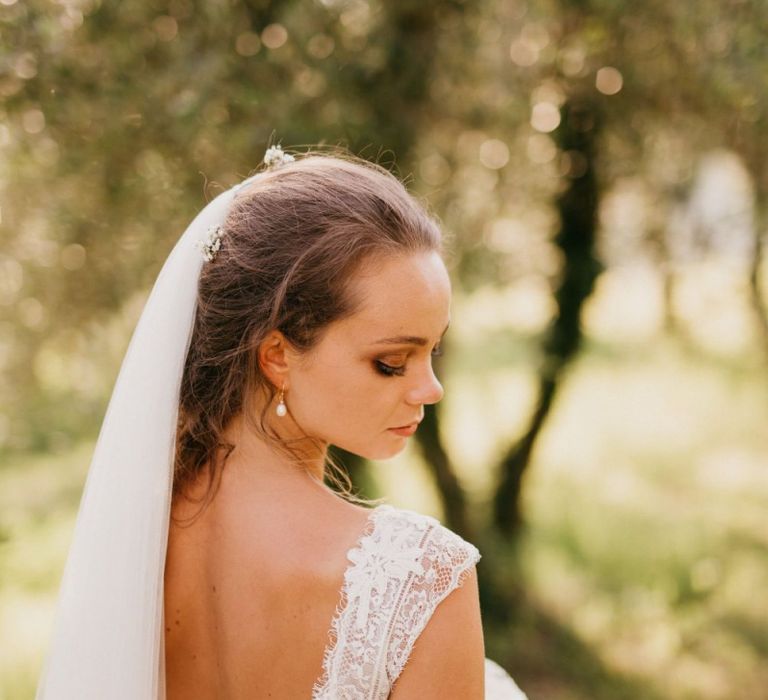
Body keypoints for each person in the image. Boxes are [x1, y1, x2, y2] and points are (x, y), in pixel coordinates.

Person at [36, 146, 527, 699]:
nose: (429, 389)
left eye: (433, 352)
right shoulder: (420, 577)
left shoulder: (133, 530)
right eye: (392, 363)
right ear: (277, 356)